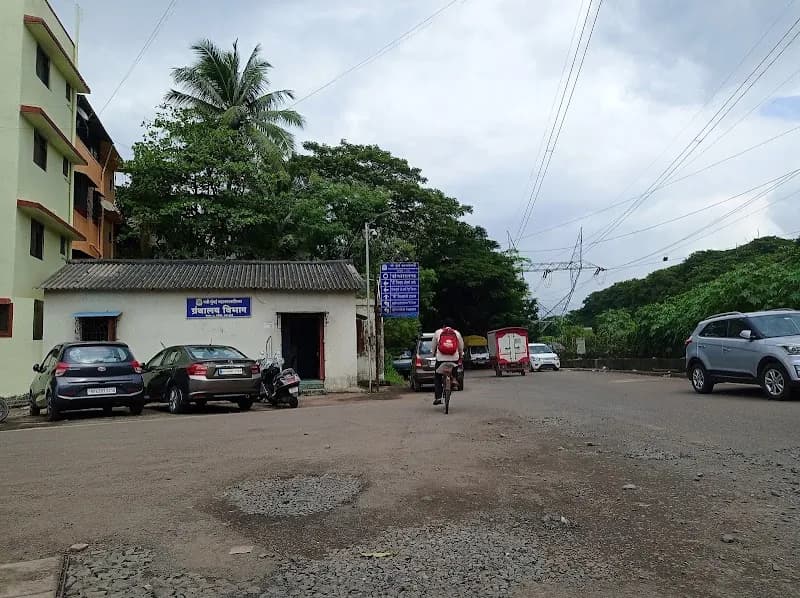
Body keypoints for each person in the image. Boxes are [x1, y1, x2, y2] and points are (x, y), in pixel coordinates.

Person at [431, 319, 464, 405]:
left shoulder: (438, 332)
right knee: (455, 368)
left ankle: (438, 397)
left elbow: (433, 346)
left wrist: (433, 353)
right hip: (454, 358)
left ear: (443, 325)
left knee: (437, 376)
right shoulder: (457, 333)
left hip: (441, 359)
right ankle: (454, 379)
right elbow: (461, 347)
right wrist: (461, 355)